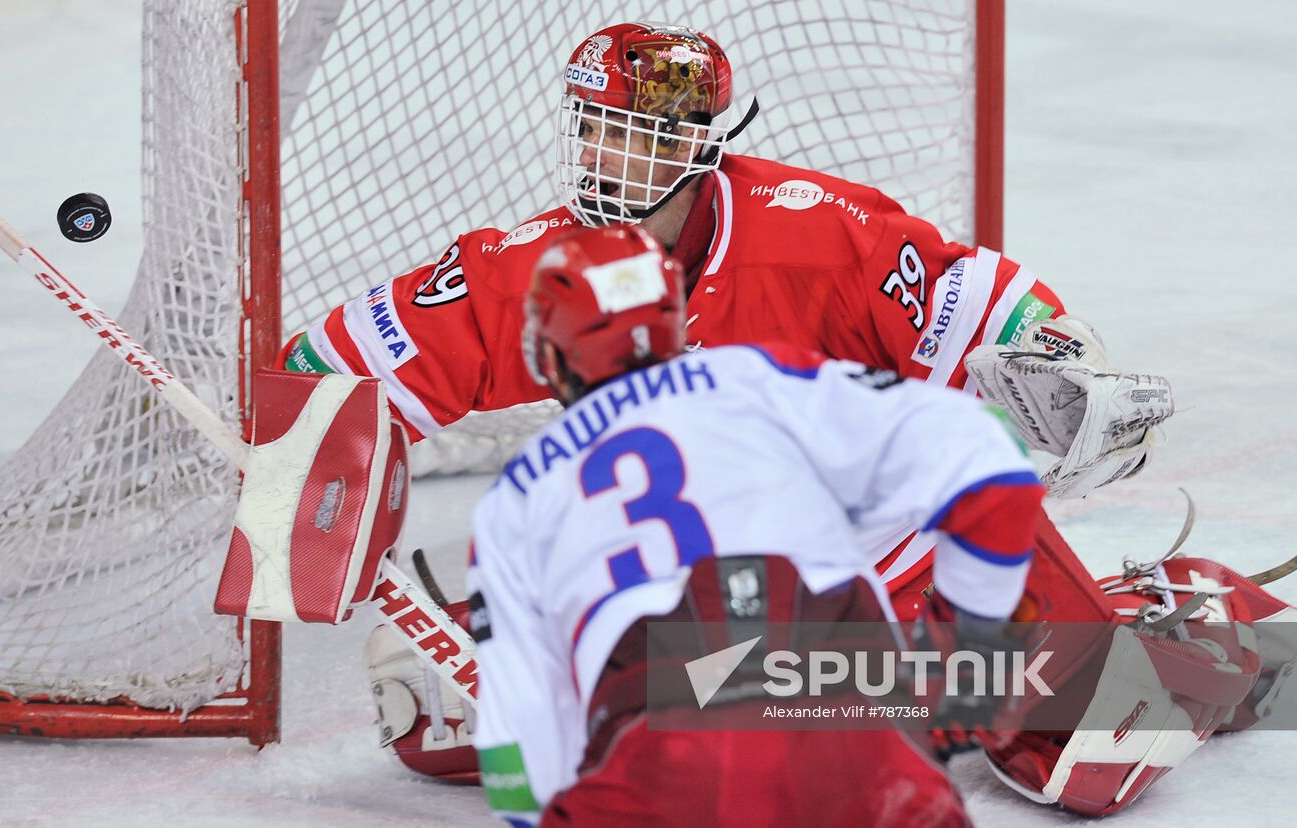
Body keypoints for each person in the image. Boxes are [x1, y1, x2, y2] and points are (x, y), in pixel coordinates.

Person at [283, 21, 1254, 816]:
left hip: (877, 554)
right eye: (593, 129)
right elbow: (329, 370)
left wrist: (1059, 361)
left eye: (638, 134)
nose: (604, 158)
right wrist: (318, 473)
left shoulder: (813, 230)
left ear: (699, 144)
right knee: (427, 711)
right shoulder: (528, 267)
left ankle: (1194, 623)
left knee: (1101, 750)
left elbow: (984, 307)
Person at [467, 223, 1045, 826]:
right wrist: (970, 660)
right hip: (847, 715)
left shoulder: (513, 498)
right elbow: (992, 462)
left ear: (553, 352)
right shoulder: (756, 377)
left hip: (658, 749)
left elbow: (521, 748)